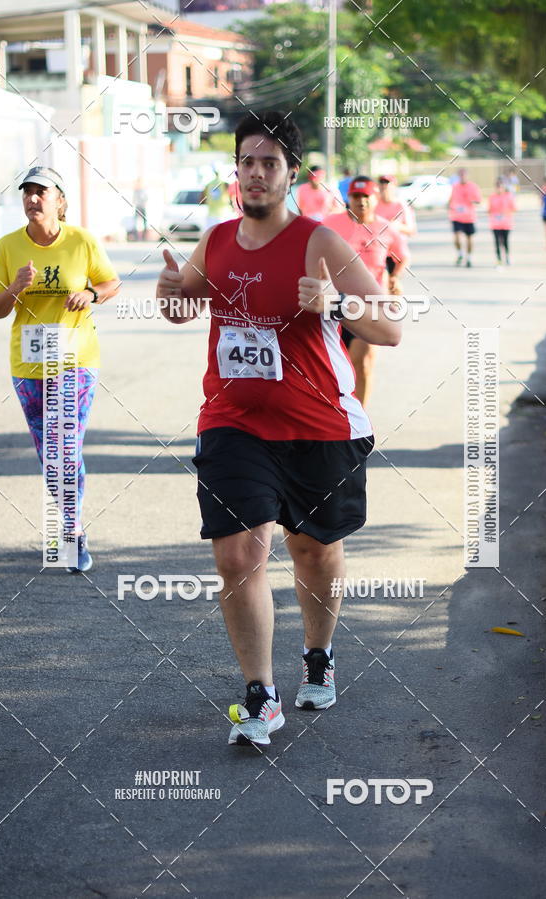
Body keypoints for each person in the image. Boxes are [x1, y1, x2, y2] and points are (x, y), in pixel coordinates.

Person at [156, 111, 401, 748]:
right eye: (247, 162)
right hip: (234, 422)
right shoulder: (215, 240)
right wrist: (168, 294)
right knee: (239, 554)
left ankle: (318, 656)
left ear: (292, 173)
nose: (257, 174)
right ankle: (260, 696)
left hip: (319, 424)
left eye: (270, 163)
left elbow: (389, 325)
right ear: (235, 172)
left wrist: (338, 304)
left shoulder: (321, 242)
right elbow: (186, 304)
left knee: (312, 550)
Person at [0, 166, 119, 572]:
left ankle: (73, 532)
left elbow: (112, 283)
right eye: (27, 192)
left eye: (41, 192)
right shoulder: (7, 247)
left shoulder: (81, 242)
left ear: (60, 200)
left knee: (65, 446)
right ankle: (69, 521)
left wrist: (90, 293)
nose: (33, 199)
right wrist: (14, 287)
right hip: (28, 363)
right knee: (50, 452)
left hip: (75, 360)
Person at [322, 176, 407, 408]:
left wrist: (395, 279)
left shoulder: (386, 228)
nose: (361, 202)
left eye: (366, 197)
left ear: (375, 198)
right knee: (336, 365)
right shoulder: (330, 223)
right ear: (348, 198)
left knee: (364, 363)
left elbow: (402, 256)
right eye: (356, 197)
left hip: (369, 305)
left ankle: (359, 419)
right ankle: (337, 412)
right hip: (334, 304)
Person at [376, 173, 417, 294]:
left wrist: (396, 226)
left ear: (394, 185)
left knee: (393, 284)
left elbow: (411, 230)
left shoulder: (401, 205)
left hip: (395, 253)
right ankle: (384, 309)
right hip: (378, 251)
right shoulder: (373, 204)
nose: (384, 186)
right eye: (382, 183)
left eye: (387, 183)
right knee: (381, 285)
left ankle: (394, 309)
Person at [448, 167, 481, 267]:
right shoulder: (455, 187)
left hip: (469, 217)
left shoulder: (473, 187)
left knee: (469, 238)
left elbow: (478, 200)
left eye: (464, 175)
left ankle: (469, 257)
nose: (462, 177)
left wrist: (473, 200)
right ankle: (460, 254)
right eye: (460, 175)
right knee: (457, 237)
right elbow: (451, 199)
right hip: (456, 216)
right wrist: (450, 208)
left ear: (467, 175)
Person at [488, 177, 516, 267]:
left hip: (506, 224)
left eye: (500, 186)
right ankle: (499, 259)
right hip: (495, 224)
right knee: (497, 242)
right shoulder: (492, 197)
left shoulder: (509, 196)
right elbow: (489, 209)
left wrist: (506, 212)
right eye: (497, 186)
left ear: (503, 187)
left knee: (505, 241)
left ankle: (507, 256)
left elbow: (514, 208)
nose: (499, 188)